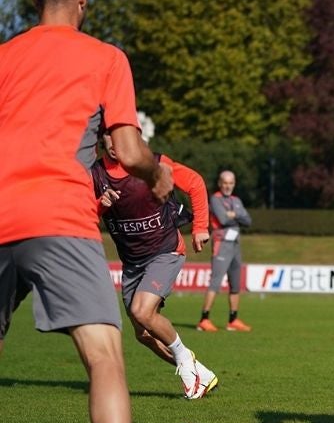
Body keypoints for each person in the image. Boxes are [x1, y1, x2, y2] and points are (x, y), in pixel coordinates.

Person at [0, 0, 179, 423]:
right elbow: (125, 149)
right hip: (57, 214)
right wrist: (156, 174)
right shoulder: (105, 58)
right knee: (103, 355)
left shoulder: (4, 57)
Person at [93, 132, 219, 400]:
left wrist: (199, 227)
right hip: (132, 262)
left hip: (165, 251)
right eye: (109, 137)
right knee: (143, 334)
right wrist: (99, 206)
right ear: (102, 139)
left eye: (120, 135)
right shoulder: (95, 175)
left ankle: (184, 357)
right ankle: (196, 371)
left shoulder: (154, 163)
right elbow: (80, 217)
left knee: (141, 310)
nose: (115, 143)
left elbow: (195, 182)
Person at [197, 170, 252, 332]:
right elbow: (222, 219)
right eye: (225, 183)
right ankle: (204, 319)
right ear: (220, 184)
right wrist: (237, 216)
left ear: (234, 184)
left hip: (235, 244)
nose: (228, 186)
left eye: (231, 183)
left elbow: (248, 221)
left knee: (235, 284)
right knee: (215, 282)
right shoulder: (215, 199)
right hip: (221, 243)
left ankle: (233, 319)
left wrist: (233, 214)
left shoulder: (236, 200)